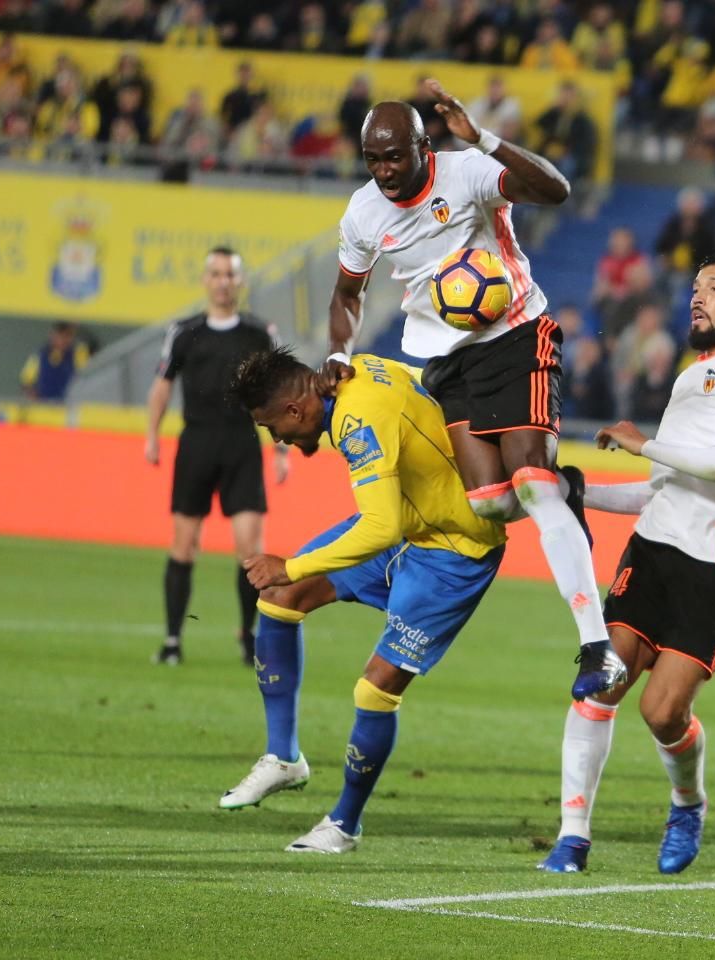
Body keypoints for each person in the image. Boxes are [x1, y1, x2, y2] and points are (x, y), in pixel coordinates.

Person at [322, 80, 626, 702]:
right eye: (373, 160)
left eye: (394, 157)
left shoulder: (465, 171)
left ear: (422, 147)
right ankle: (571, 491)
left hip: (516, 335)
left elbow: (556, 191)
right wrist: (336, 352)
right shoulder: (363, 213)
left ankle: (598, 648)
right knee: (493, 503)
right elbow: (347, 294)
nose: (384, 171)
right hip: (446, 362)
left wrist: (483, 138)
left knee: (532, 482)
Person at [537, 251, 715, 874]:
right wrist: (579, 493)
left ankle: (687, 803)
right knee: (601, 684)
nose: (698, 297)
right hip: (650, 553)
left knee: (662, 712)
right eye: (697, 286)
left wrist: (642, 443)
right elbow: (661, 490)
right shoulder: (688, 379)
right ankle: (572, 837)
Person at [222, 348, 506, 854]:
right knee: (279, 598)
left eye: (271, 427)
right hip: (411, 525)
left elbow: (380, 528)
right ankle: (283, 758)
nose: (277, 439)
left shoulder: (356, 422)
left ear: (295, 410)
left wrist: (292, 565)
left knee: (375, 688)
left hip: (454, 550)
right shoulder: (363, 370)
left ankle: (344, 824)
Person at [145, 247, 289, 667]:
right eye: (217, 273)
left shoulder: (259, 334)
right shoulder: (184, 332)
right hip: (196, 443)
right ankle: (173, 640)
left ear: (240, 281)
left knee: (250, 547)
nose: (223, 281)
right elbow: (162, 385)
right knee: (184, 543)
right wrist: (152, 435)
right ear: (206, 280)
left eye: (230, 274)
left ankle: (247, 637)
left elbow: (278, 394)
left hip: (241, 444)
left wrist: (281, 449)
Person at [20, 322, 90, 401]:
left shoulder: (78, 354)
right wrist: (32, 395)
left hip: (68, 404)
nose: (63, 340)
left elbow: (86, 378)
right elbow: (26, 382)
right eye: (60, 335)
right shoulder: (40, 356)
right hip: (44, 404)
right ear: (52, 335)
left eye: (67, 336)